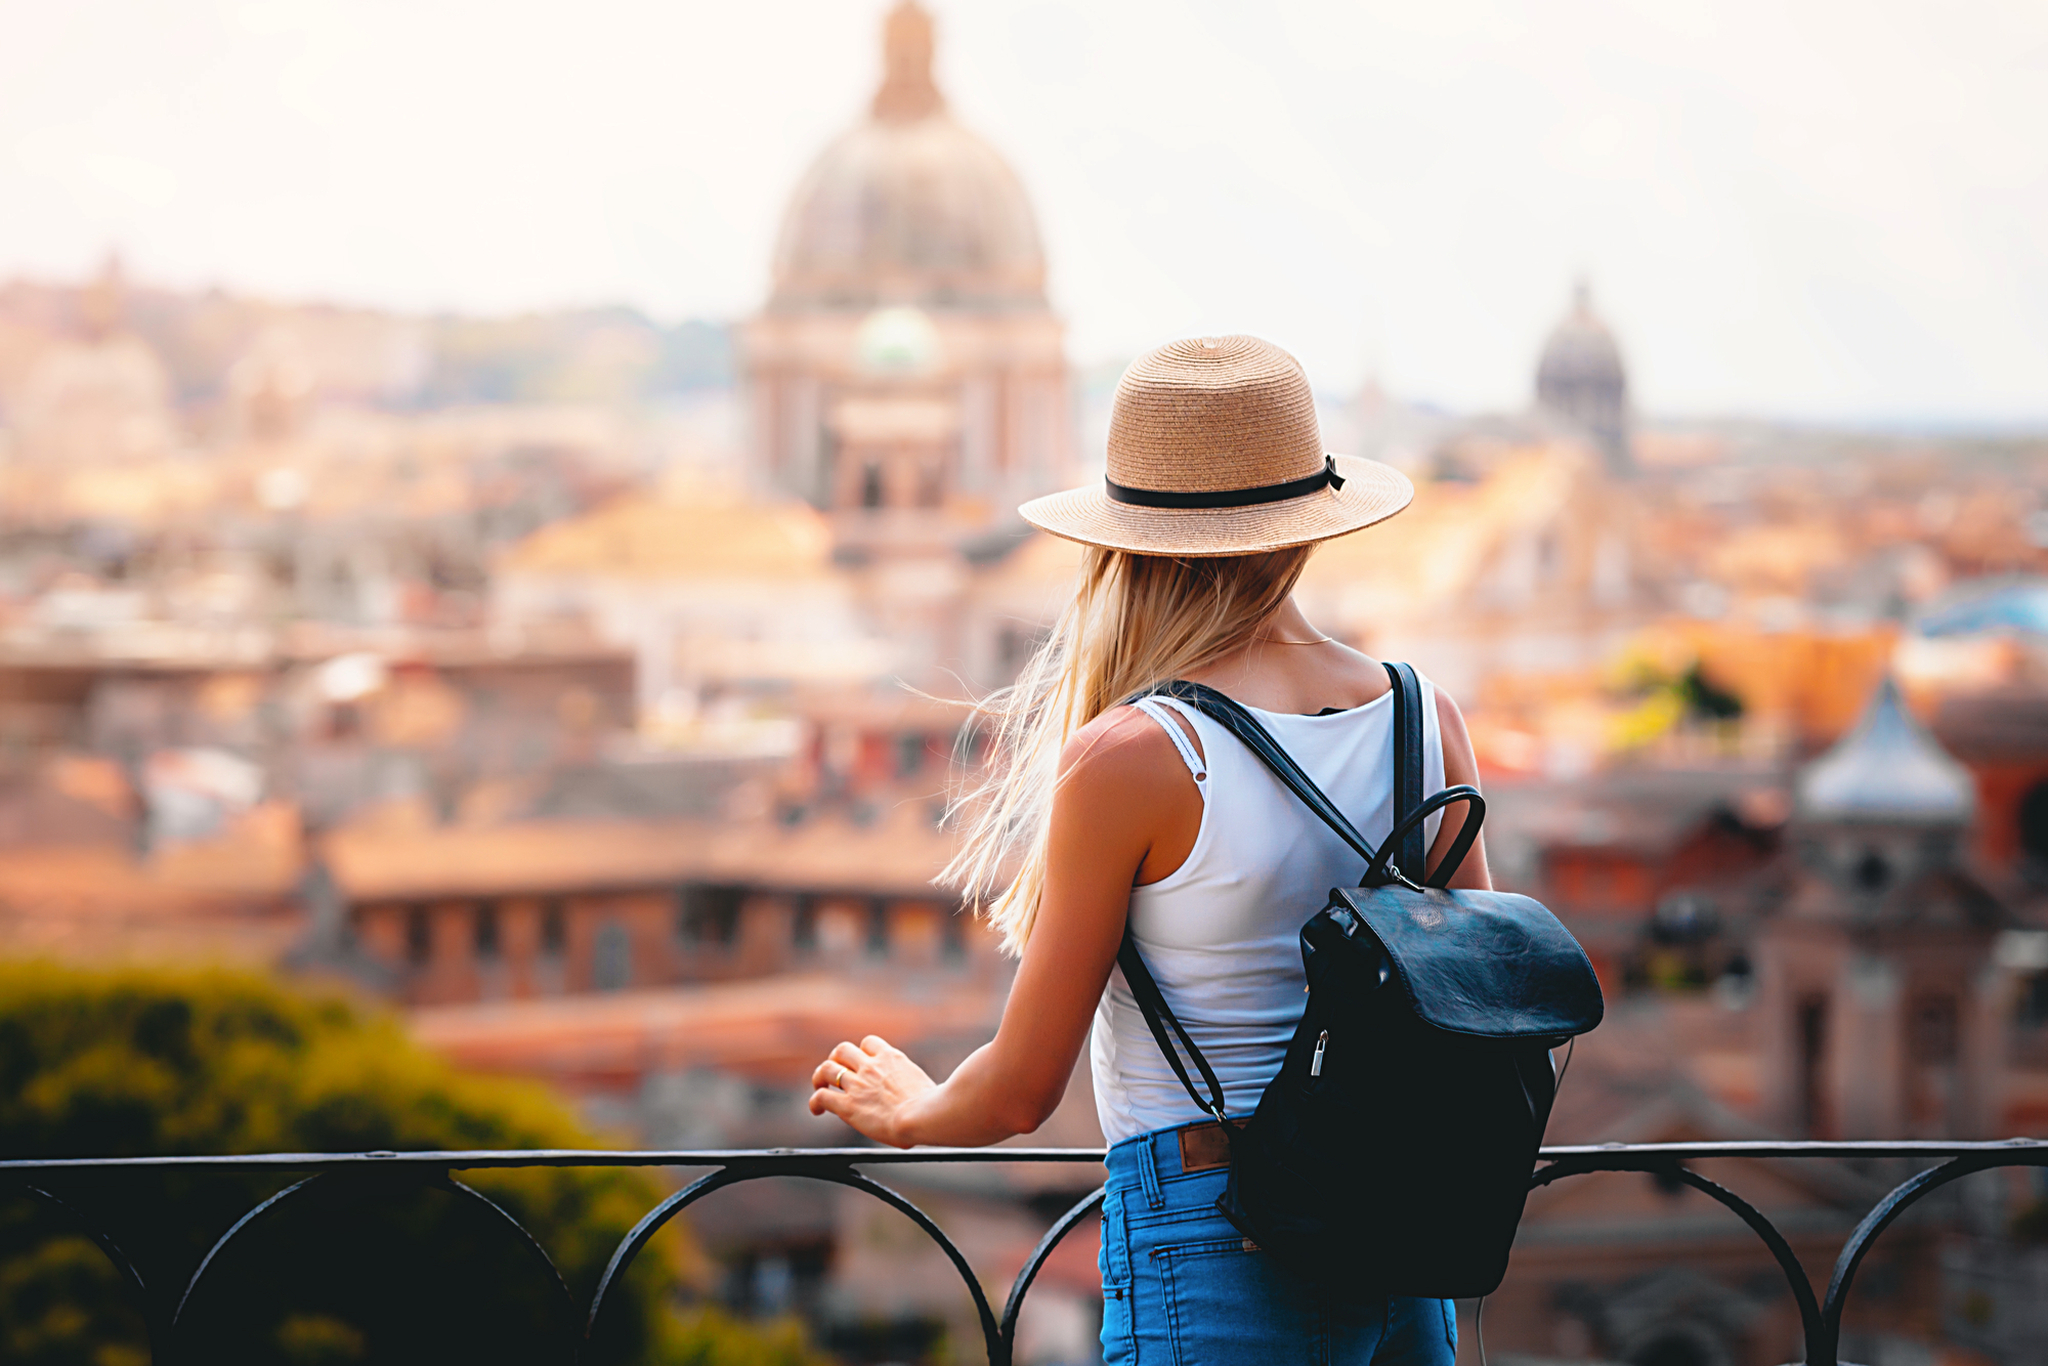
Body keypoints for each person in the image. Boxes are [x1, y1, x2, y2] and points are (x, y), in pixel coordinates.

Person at [809, 335, 1489, 1364]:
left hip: (1221, 1236)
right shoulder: (1420, 716)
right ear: (1308, 526)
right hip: (1399, 1237)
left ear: (1126, 540)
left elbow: (1024, 1086)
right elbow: (1477, 1011)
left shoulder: (1133, 754)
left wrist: (910, 1110)